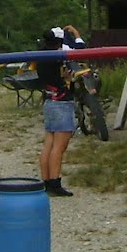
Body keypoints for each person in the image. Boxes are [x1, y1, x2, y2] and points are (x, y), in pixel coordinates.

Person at [34, 23, 85, 196]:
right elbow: (81, 49)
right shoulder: (59, 55)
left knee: (49, 144)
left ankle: (46, 181)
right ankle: (55, 182)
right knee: (59, 146)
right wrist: (76, 33)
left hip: (49, 100)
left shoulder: (40, 55)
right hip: (62, 102)